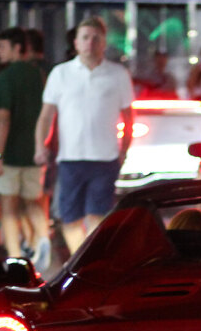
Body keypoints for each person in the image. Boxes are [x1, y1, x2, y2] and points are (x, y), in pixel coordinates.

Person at [34, 17, 134, 253]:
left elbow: (129, 118)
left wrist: (124, 150)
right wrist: (41, 145)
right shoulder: (61, 74)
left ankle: (89, 264)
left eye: (96, 38)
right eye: (85, 37)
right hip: (70, 158)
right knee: (70, 218)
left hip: (105, 157)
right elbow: (46, 115)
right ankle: (82, 263)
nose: (90, 43)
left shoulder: (118, 74)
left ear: (104, 43)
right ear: (76, 43)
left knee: (98, 216)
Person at [0, 27, 49, 268]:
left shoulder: (6, 77)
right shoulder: (40, 75)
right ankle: (43, 237)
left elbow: (3, 118)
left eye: (2, 47)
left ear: (17, 48)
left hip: (11, 153)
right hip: (33, 152)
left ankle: (14, 257)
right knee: (32, 201)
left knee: (8, 207)